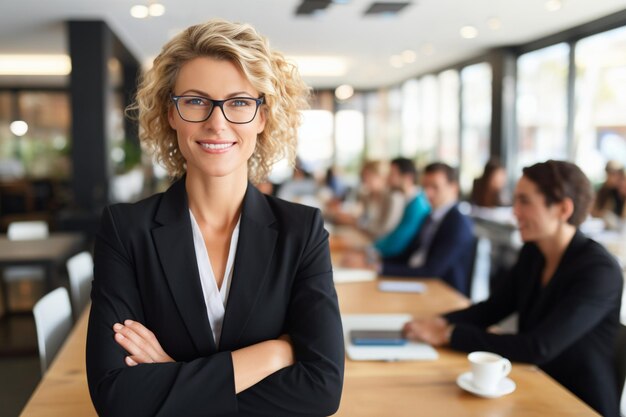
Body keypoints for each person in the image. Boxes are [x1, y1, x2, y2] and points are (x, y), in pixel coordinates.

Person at [86, 19, 344, 417]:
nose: (217, 122)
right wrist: (275, 353)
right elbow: (116, 397)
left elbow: (322, 389)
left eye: (239, 102)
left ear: (262, 116)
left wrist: (172, 377)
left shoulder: (302, 231)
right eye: (195, 100)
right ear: (170, 113)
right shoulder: (126, 230)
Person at [403, 160, 622, 417]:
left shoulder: (599, 271)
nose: (514, 211)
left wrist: (450, 334)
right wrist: (439, 321)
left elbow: (538, 347)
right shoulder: (534, 252)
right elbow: (494, 308)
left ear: (563, 208)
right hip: (532, 386)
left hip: (577, 402)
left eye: (525, 201)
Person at [381, 162, 475, 295]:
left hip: (443, 293)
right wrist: (376, 263)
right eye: (425, 187)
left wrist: (381, 268)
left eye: (435, 187)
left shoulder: (458, 223)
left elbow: (432, 270)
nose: (428, 193)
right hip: (420, 285)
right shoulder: (430, 216)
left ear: (454, 188)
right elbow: (408, 254)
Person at [373, 157, 430, 257]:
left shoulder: (418, 205)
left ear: (408, 177)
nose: (388, 178)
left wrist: (371, 249)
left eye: (392, 174)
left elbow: (398, 242)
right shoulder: (408, 200)